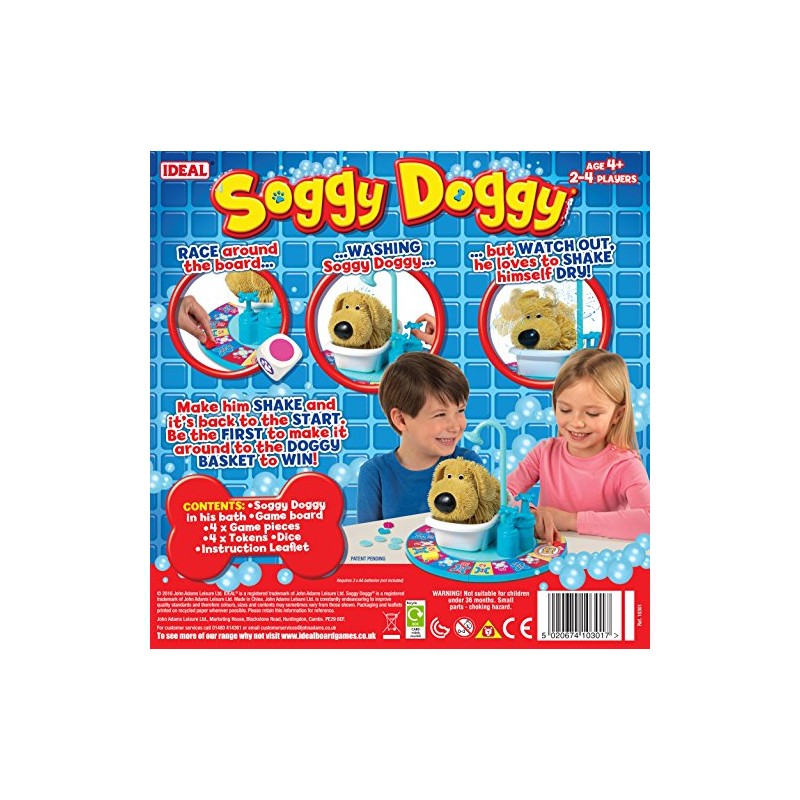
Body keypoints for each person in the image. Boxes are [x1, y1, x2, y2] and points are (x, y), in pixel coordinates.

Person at [506, 349, 650, 543]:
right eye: (565, 409)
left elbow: (649, 521)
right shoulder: (544, 452)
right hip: (550, 553)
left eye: (592, 413)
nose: (576, 423)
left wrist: (569, 520)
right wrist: (530, 513)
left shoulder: (625, 465)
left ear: (617, 415)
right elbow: (502, 494)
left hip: (600, 556)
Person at [357, 352, 482, 522]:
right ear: (401, 420)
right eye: (440, 414)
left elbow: (485, 521)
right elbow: (366, 534)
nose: (455, 426)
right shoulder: (375, 473)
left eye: (460, 411)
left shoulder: (468, 464)